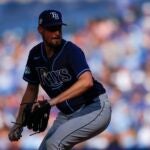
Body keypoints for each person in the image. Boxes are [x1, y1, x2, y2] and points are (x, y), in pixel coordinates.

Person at [8, 9, 111, 150]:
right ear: (40, 30)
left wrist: (51, 102)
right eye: (51, 28)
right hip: (68, 113)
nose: (56, 32)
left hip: (94, 107)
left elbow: (87, 81)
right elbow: (31, 89)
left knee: (53, 144)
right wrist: (18, 123)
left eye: (58, 28)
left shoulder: (71, 51)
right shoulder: (35, 55)